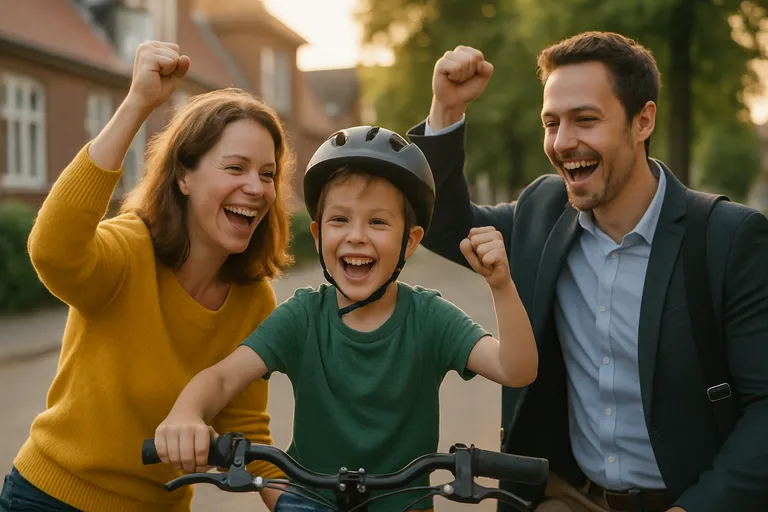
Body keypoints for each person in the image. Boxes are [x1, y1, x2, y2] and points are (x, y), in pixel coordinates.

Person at [406, 31, 768, 512]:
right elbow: (443, 224)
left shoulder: (731, 239)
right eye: (551, 122)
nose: (562, 142)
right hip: (569, 497)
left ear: (643, 121)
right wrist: (445, 110)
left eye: (585, 120)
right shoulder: (542, 209)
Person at [151, 125, 539, 511]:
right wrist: (187, 412)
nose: (356, 236)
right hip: (309, 502)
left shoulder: (430, 318)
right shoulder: (303, 316)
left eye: (378, 222)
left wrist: (501, 285)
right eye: (340, 220)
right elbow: (221, 378)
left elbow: (516, 369)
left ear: (411, 241)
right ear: (318, 236)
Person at [0, 41, 294, 512]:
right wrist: (137, 103)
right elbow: (52, 251)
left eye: (267, 174)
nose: (256, 189)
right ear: (184, 177)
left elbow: (248, 432)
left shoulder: (254, 298)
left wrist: (301, 503)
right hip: (50, 497)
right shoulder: (129, 249)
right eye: (236, 168)